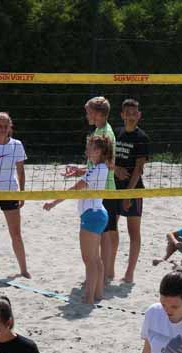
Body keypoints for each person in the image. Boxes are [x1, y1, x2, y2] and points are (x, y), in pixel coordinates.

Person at [44, 134, 112, 304]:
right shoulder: (99, 167)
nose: (87, 150)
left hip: (92, 215)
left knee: (89, 260)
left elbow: (75, 188)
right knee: (95, 259)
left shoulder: (97, 169)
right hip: (97, 213)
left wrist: (54, 202)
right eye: (88, 147)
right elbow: (85, 176)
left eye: (91, 148)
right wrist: (78, 170)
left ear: (99, 151)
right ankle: (98, 294)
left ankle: (89, 298)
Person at [64, 97, 118, 281]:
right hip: (98, 187)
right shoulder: (99, 130)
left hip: (104, 189)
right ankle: (100, 273)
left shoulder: (107, 132)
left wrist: (87, 173)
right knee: (102, 233)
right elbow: (97, 166)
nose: (86, 115)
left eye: (88, 112)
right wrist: (81, 170)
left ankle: (106, 274)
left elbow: (109, 164)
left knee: (106, 233)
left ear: (97, 113)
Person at [0, 112, 30, 278]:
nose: (2, 129)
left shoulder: (16, 145)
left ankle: (23, 269)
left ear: (10, 127)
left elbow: (21, 171)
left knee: (16, 234)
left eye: (5, 126)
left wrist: (22, 193)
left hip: (10, 192)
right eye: (0, 126)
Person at [109, 99, 151, 283]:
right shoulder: (115, 134)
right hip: (113, 188)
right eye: (128, 113)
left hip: (133, 189)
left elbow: (138, 168)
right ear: (122, 115)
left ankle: (129, 273)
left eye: (134, 113)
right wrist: (116, 169)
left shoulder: (142, 138)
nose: (131, 116)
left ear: (139, 115)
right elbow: (108, 159)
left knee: (133, 232)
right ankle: (110, 269)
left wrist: (128, 193)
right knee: (111, 228)